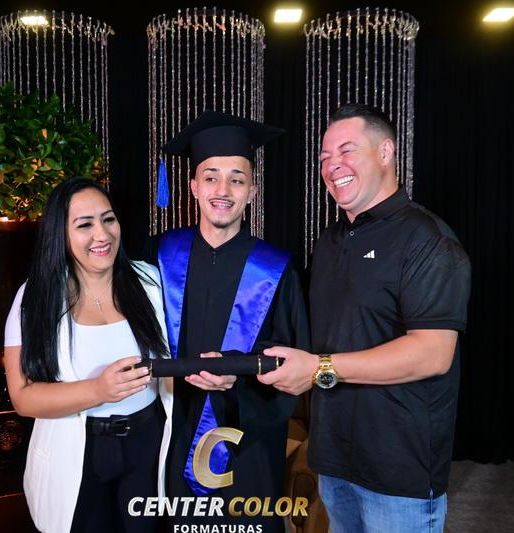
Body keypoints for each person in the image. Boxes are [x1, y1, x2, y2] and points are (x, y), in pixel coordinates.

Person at [259, 103, 471, 532]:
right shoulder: (330, 242)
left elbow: (433, 354)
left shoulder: (427, 241)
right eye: (325, 157)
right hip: (334, 460)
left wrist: (318, 369)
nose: (332, 165)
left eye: (347, 151)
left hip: (398, 473)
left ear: (386, 152)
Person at [144, 110, 311, 532]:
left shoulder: (276, 270)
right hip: (172, 429)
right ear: (193, 187)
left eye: (237, 179)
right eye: (211, 177)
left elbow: (294, 362)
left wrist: (238, 380)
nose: (223, 190)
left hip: (247, 439)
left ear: (252, 191)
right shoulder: (158, 256)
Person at [3, 177, 173, 533]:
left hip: (147, 443)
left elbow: (170, 368)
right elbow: (23, 397)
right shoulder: (35, 298)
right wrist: (98, 390)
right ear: (60, 234)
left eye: (108, 219)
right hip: (77, 450)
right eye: (84, 225)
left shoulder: (150, 281)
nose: (102, 234)